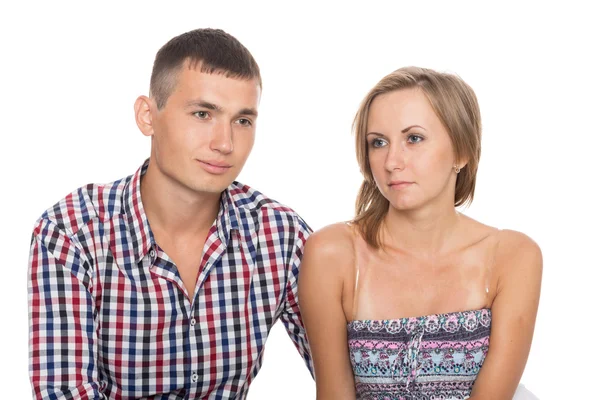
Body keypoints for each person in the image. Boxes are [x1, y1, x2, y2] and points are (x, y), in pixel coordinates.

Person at [28, 28, 312, 399]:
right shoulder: (71, 233)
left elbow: (353, 377)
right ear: (148, 116)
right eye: (202, 113)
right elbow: (65, 393)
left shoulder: (280, 236)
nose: (225, 144)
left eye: (242, 121)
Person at [298, 67, 542, 399]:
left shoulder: (512, 256)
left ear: (462, 151)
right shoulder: (332, 254)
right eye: (378, 143)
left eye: (414, 138)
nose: (391, 161)